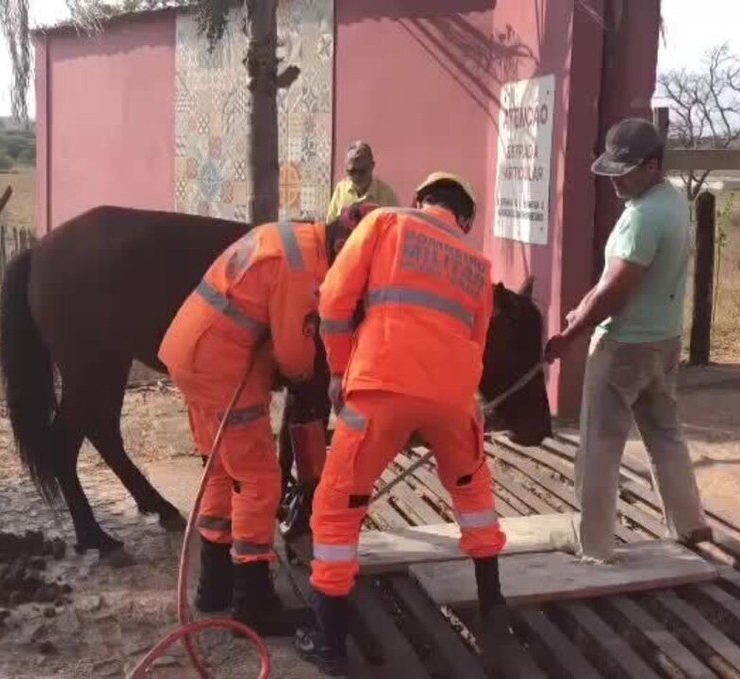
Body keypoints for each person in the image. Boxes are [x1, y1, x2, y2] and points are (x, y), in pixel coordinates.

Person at [295, 173, 509, 675]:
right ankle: (493, 609)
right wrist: (450, 401)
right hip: (454, 401)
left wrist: (339, 369)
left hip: (380, 388)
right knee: (474, 497)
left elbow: (333, 299)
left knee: (338, 507)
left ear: (420, 201)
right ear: (465, 219)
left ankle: (329, 643)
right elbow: (476, 343)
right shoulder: (477, 264)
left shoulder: (385, 222)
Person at [157, 203, 377, 636]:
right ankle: (252, 602)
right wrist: (317, 376)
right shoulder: (302, 269)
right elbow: (296, 360)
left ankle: (213, 587)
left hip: (191, 352)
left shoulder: (292, 240)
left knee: (223, 471)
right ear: (340, 246)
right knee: (260, 480)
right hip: (219, 366)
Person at [543, 117, 713, 562]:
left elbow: (617, 287)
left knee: (599, 444)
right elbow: (613, 282)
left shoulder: (643, 217)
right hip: (663, 341)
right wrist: (584, 307)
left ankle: (594, 544)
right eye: (612, 169)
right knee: (665, 434)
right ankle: (690, 523)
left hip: (623, 346)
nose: (616, 180)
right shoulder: (672, 201)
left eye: (626, 170)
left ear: (653, 166)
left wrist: (571, 334)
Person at [324, 141, 399, 223]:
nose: (357, 177)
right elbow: (330, 224)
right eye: (352, 172)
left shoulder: (386, 195)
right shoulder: (341, 190)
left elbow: (396, 227)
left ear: (372, 166)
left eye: (362, 171)